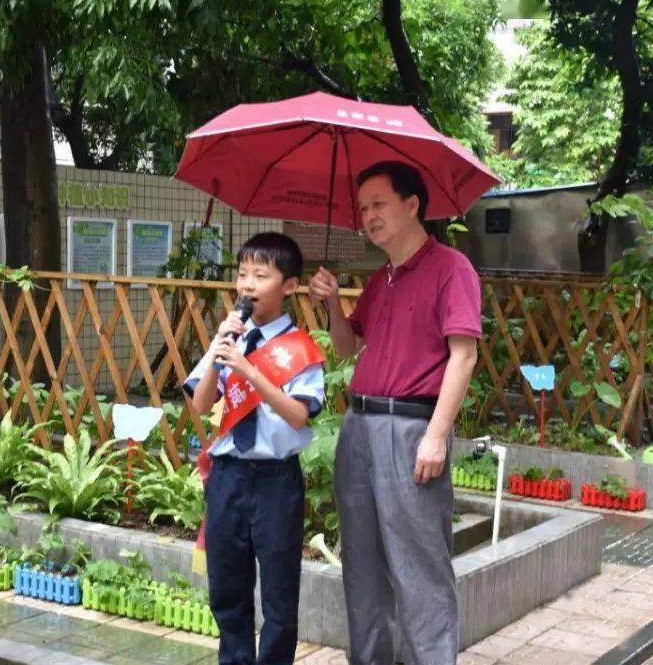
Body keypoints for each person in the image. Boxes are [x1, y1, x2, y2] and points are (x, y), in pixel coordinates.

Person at [308, 161, 481, 665]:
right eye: (362, 208)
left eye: (378, 204)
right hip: (359, 426)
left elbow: (463, 355)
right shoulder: (379, 279)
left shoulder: (452, 268)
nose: (368, 216)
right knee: (361, 565)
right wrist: (333, 306)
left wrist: (436, 435)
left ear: (412, 205)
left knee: (419, 567)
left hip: (411, 429)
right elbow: (345, 349)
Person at [185, 232, 326, 665]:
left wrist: (250, 372)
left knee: (280, 593)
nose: (247, 284)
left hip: (276, 481)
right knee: (227, 586)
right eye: (243, 273)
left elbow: (299, 415)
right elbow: (201, 402)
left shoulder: (300, 349)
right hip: (228, 476)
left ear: (288, 286)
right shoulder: (229, 337)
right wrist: (223, 352)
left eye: (260, 275)